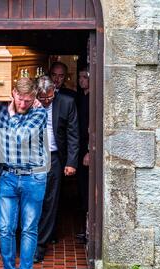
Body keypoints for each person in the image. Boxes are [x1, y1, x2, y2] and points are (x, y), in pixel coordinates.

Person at [0, 78, 48, 269]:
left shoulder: (40, 113)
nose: (24, 104)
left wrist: (12, 112)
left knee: (28, 228)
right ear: (13, 92)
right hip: (7, 176)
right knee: (5, 228)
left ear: (34, 97)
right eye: (20, 98)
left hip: (34, 177)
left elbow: (21, 137)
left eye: (28, 100)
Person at [34, 76, 79, 263]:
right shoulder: (30, 103)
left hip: (54, 157)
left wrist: (71, 162)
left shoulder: (67, 103)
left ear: (55, 91)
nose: (46, 101)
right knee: (34, 199)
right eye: (42, 98)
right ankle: (29, 239)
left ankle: (41, 244)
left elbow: (73, 134)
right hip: (33, 158)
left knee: (50, 201)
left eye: (49, 98)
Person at [75, 68, 90, 241]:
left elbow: (91, 129)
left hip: (86, 151)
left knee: (87, 190)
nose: (81, 80)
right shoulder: (80, 98)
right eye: (80, 77)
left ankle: (87, 230)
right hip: (79, 149)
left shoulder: (92, 99)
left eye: (85, 77)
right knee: (81, 190)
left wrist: (88, 150)